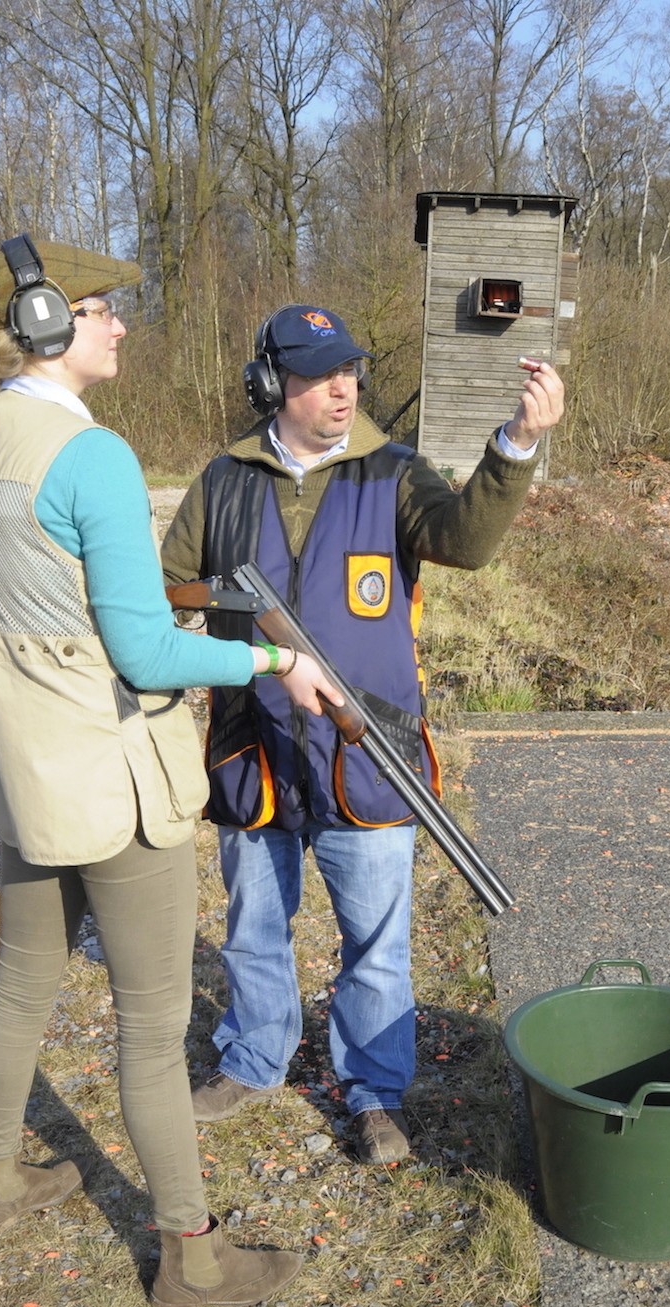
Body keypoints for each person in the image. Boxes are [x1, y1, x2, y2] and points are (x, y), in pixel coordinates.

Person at [0, 242, 341, 1307]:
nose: (119, 324)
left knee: (22, 981)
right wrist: (274, 660)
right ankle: (192, 1260)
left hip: (28, 774)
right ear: (40, 319)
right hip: (112, 781)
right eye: (97, 308)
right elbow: (148, 657)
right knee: (153, 1027)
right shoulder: (94, 456)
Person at [160, 303, 565, 1165]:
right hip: (255, 750)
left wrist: (516, 445)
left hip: (368, 752)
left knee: (378, 944)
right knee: (253, 927)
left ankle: (374, 1091)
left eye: (350, 370)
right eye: (319, 373)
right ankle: (253, 1059)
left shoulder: (392, 473)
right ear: (273, 384)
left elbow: (467, 541)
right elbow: (163, 589)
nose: (343, 388)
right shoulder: (223, 480)